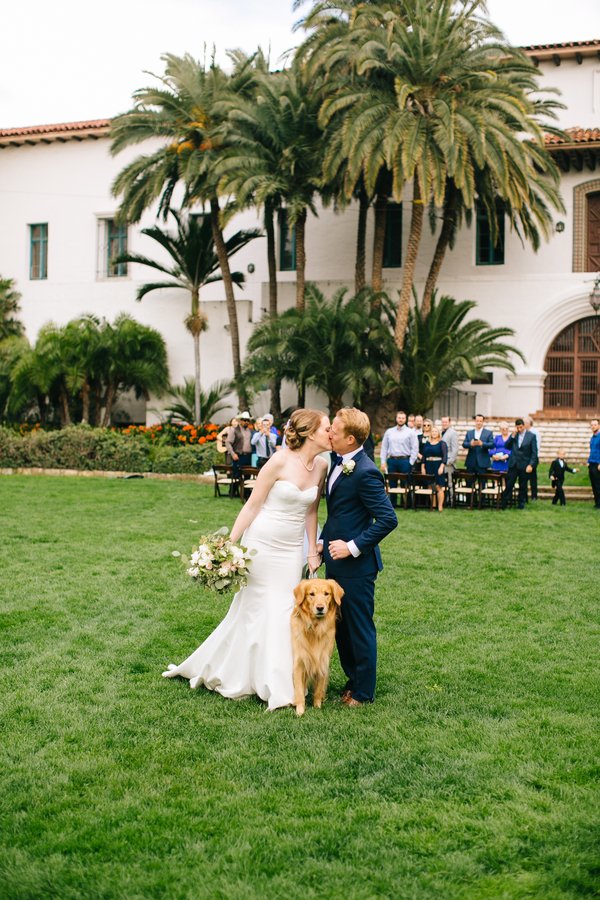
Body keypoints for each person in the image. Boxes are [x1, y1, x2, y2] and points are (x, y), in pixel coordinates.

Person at [162, 409, 332, 710]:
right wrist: (229, 545)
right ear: (309, 432)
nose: (330, 433)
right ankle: (265, 680)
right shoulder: (278, 461)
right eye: (327, 428)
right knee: (257, 609)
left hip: (292, 549)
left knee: (285, 612)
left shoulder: (321, 465)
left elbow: (312, 511)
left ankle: (280, 679)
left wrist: (310, 551)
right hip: (263, 544)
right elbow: (252, 506)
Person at [319, 407, 398, 707]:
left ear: (350, 439)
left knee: (359, 628)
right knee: (341, 628)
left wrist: (353, 547)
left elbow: (388, 519)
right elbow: (338, 513)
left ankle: (364, 692)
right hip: (334, 562)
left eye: (334, 432)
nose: (329, 434)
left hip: (358, 567)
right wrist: (321, 542)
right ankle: (353, 679)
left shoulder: (366, 472)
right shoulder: (335, 462)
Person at [379, 410, 419, 508]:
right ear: (396, 419)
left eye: (403, 418)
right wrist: (383, 462)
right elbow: (384, 447)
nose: (401, 420)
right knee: (392, 483)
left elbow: (415, 447)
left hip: (405, 460)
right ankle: (392, 504)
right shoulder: (389, 432)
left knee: (406, 483)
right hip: (392, 460)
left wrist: (411, 462)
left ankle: (406, 504)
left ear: (405, 419)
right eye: (399, 418)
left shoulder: (410, 432)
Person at [500, 418, 538, 509]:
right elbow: (506, 446)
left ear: (524, 426)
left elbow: (534, 453)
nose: (519, 429)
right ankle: (504, 503)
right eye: (518, 427)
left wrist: (531, 464)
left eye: (521, 427)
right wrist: (512, 436)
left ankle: (521, 504)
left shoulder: (531, 436)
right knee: (509, 484)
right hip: (513, 464)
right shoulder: (514, 435)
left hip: (524, 465)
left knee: (523, 485)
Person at [421, 424, 447, 511]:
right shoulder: (427, 444)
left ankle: (440, 506)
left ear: (439, 433)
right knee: (430, 486)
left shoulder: (442, 443)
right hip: (428, 465)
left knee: (439, 486)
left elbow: (445, 456)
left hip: (438, 465)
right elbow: (424, 456)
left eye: (436, 431)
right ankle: (433, 505)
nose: (434, 433)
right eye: (432, 431)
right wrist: (423, 467)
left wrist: (442, 466)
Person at [440, 415, 458, 503]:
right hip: (441, 462)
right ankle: (444, 500)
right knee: (442, 482)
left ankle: (451, 501)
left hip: (449, 463)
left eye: (446, 422)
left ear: (449, 422)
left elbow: (455, 449)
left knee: (450, 483)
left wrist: (449, 461)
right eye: (443, 422)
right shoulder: (441, 432)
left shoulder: (453, 433)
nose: (444, 424)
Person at [524, 416, 541, 500]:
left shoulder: (535, 433)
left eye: (524, 423)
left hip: (532, 457)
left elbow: (536, 447)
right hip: (525, 457)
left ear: (529, 423)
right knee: (524, 477)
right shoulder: (524, 432)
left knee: (532, 477)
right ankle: (525, 495)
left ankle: (534, 495)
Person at [588, 418, 600, 509]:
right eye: (592, 425)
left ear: (598, 426)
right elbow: (592, 451)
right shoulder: (592, 438)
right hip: (591, 463)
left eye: (595, 424)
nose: (593, 426)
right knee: (593, 484)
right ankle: (597, 503)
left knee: (598, 484)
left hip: (598, 464)